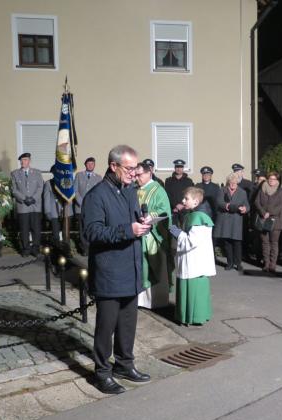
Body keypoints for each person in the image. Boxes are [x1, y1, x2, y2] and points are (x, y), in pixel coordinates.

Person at [82, 144, 152, 394]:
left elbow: (132, 222)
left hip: (131, 270)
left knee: (127, 324)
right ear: (113, 166)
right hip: (109, 273)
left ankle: (124, 364)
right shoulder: (96, 196)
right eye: (129, 168)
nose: (134, 173)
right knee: (106, 327)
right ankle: (102, 373)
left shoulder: (130, 191)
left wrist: (144, 223)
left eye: (136, 168)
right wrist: (127, 230)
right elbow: (92, 232)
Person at [169, 186, 216, 325]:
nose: (183, 201)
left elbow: (192, 241)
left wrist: (178, 233)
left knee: (194, 290)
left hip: (195, 263)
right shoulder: (192, 214)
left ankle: (194, 317)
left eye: (186, 198)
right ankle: (187, 316)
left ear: (196, 201)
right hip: (191, 260)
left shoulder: (199, 217)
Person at [135, 161, 173, 309]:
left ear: (149, 173)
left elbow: (165, 211)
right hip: (137, 235)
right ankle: (139, 300)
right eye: (135, 175)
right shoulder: (135, 189)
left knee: (154, 265)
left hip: (153, 236)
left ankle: (156, 301)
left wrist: (150, 216)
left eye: (139, 175)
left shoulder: (158, 190)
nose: (136, 178)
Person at [213, 172, 250, 271]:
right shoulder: (222, 190)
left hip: (236, 220)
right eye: (231, 182)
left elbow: (247, 205)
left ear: (237, 182)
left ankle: (238, 263)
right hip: (225, 220)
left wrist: (245, 209)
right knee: (227, 243)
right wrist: (227, 206)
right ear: (228, 182)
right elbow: (219, 202)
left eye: (235, 182)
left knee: (237, 243)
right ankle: (230, 263)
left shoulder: (242, 192)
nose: (233, 184)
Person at [11, 152, 44, 257]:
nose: (22, 162)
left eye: (25, 160)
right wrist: (24, 198)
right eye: (21, 160)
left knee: (36, 229)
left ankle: (35, 249)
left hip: (35, 205)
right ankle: (26, 249)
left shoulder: (37, 172)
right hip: (23, 206)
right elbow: (14, 190)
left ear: (29, 161)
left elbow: (40, 187)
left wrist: (34, 198)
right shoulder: (15, 173)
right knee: (24, 229)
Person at [255, 171, 282, 273]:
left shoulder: (280, 191)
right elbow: (257, 202)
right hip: (263, 219)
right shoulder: (262, 189)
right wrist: (263, 212)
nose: (271, 181)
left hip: (275, 221)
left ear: (277, 180)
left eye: (273, 179)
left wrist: (270, 213)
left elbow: (281, 205)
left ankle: (273, 264)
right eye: (270, 179)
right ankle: (266, 264)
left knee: (274, 243)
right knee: (265, 243)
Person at [43, 166, 74, 255]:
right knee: (55, 234)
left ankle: (67, 251)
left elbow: (71, 196)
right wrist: (47, 211)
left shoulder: (67, 182)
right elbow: (46, 198)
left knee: (66, 234)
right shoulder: (48, 183)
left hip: (66, 211)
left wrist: (70, 208)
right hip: (54, 212)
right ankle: (56, 252)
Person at [75, 157, 101, 255]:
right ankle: (85, 249)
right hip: (80, 207)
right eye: (88, 164)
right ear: (85, 165)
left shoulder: (98, 177)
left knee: (92, 228)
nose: (90, 165)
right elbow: (75, 190)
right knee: (82, 229)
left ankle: (92, 248)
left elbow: (99, 192)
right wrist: (82, 202)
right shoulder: (79, 175)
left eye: (92, 164)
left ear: (94, 165)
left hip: (93, 208)